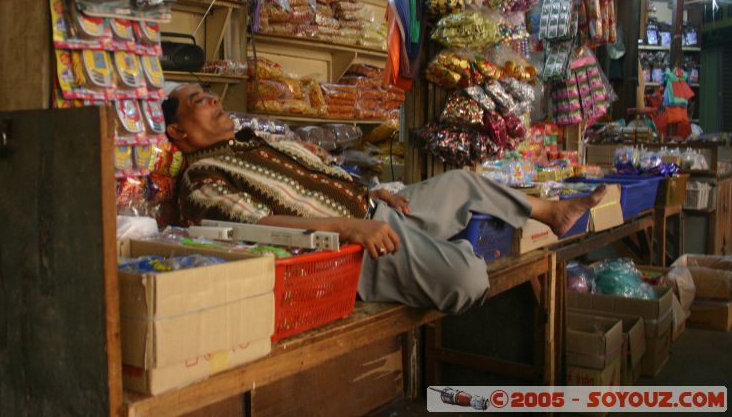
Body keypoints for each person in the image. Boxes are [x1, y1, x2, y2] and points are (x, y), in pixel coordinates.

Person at [163, 83, 606, 314]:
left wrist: (372, 191)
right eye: (198, 101)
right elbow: (258, 228)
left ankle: (549, 211)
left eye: (209, 93)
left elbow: (322, 172)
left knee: (461, 182)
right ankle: (447, 255)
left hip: (374, 208)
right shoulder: (202, 178)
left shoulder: (252, 139)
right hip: (350, 249)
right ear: (178, 133)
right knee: (469, 281)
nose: (213, 99)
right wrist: (352, 227)